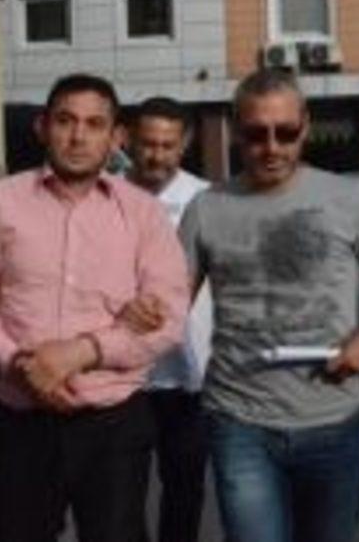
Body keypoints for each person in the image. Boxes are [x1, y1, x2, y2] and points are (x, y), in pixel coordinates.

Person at [179, 70, 359, 542]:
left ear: (306, 126)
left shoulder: (350, 201)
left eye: (286, 132)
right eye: (256, 134)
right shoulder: (206, 208)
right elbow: (170, 306)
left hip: (333, 421)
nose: (272, 147)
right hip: (239, 422)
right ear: (235, 130)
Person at [0, 73, 190, 542]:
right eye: (65, 120)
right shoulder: (0, 201)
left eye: (94, 124)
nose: (78, 136)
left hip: (113, 424)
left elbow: (170, 318)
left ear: (116, 137)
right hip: (21, 420)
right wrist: (21, 363)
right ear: (42, 127)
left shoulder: (143, 212)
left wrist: (80, 352)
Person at [125, 96, 213, 542]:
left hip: (189, 378)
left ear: (185, 144)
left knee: (184, 489)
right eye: (148, 144)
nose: (156, 155)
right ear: (128, 140)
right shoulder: (105, 194)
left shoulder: (207, 199)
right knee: (121, 494)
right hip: (123, 377)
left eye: (167, 145)